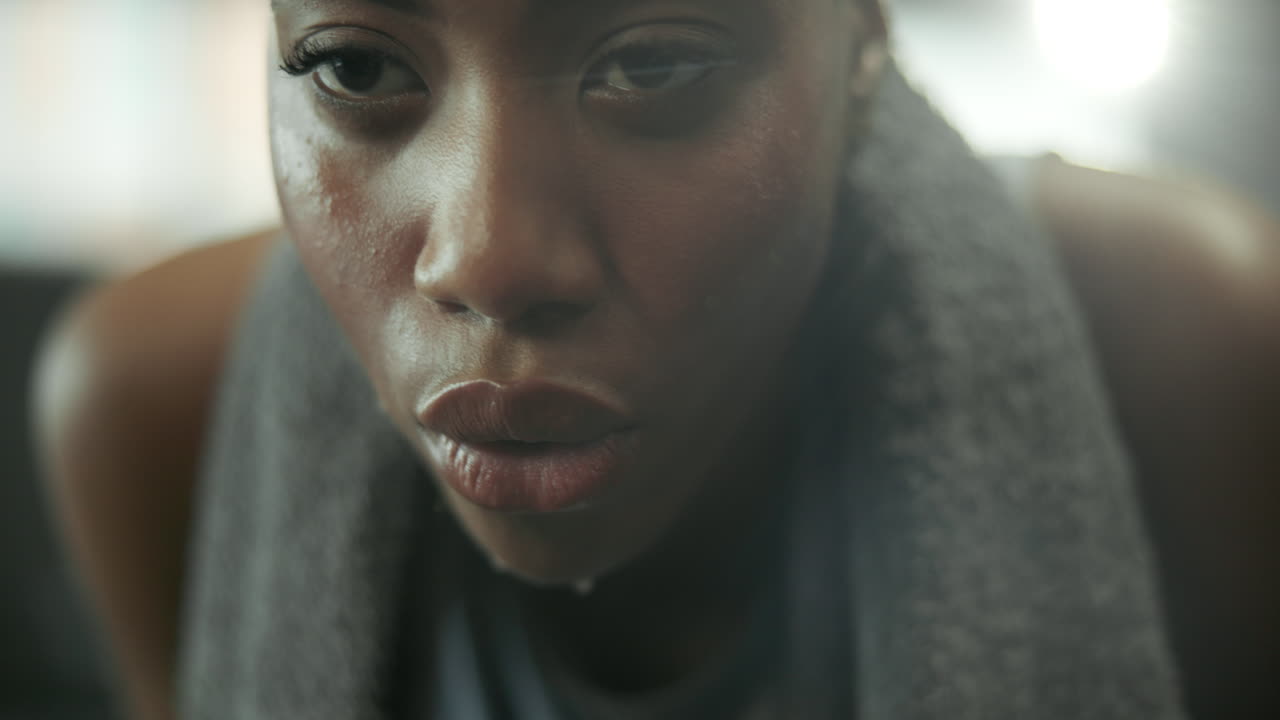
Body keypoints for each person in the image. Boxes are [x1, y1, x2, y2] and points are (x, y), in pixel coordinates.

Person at [31, 1, 1278, 719]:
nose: (491, 257)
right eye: (356, 65)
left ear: (858, 40)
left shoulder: (1181, 352)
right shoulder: (155, 410)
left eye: (654, 62)